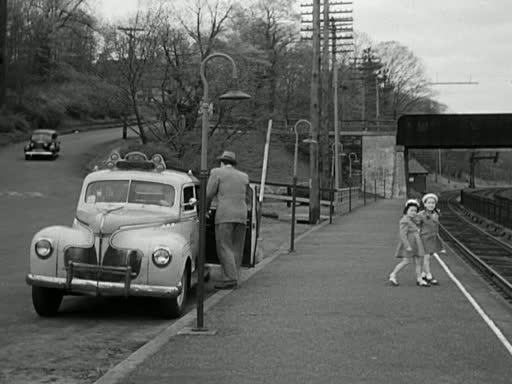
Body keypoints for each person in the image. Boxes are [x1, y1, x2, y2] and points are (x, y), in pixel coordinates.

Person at [206, 150, 249, 289]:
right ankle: (234, 277)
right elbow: (246, 196)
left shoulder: (217, 172)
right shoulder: (244, 177)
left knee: (224, 246)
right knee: (237, 247)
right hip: (242, 215)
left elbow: (209, 193)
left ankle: (230, 278)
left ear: (222, 162)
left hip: (225, 214)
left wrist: (205, 209)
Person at [388, 199, 429, 287]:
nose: (413, 212)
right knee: (405, 261)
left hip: (417, 243)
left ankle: (419, 279)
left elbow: (421, 220)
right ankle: (393, 274)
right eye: (411, 210)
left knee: (418, 262)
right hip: (410, 243)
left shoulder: (414, 219)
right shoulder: (404, 220)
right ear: (406, 210)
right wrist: (407, 246)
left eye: (415, 211)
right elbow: (402, 234)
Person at [417, 193, 445, 285]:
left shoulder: (436, 213)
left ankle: (423, 274)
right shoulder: (421, 215)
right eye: (429, 203)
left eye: (433, 203)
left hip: (433, 237)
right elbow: (416, 225)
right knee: (427, 257)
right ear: (424, 204)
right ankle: (429, 275)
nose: (431, 205)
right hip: (424, 238)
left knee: (430, 256)